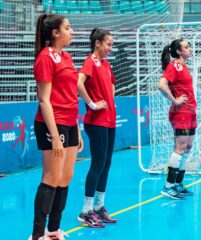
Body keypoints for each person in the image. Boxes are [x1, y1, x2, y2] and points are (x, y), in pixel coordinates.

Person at [30, 14, 82, 240]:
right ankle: (37, 234)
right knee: (51, 177)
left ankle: (53, 230)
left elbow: (71, 96)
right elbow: (44, 100)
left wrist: (77, 128)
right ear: (55, 33)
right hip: (52, 123)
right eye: (68, 28)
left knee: (65, 177)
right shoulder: (45, 58)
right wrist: (55, 135)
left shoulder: (67, 57)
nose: (72, 32)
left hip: (69, 123)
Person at [77, 28, 117, 227]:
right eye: (108, 44)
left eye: (111, 44)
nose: (110, 48)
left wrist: (111, 101)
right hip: (96, 121)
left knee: (106, 163)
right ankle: (86, 210)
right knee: (98, 164)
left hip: (109, 120)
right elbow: (78, 83)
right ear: (98, 43)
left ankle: (100, 207)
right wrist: (92, 104)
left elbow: (111, 85)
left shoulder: (107, 65)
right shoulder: (90, 62)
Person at [157, 39, 195, 199]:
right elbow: (161, 84)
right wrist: (175, 100)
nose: (190, 49)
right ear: (178, 51)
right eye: (186, 47)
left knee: (187, 148)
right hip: (181, 112)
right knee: (180, 148)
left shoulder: (183, 66)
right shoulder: (174, 65)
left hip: (190, 111)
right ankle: (168, 186)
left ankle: (178, 184)